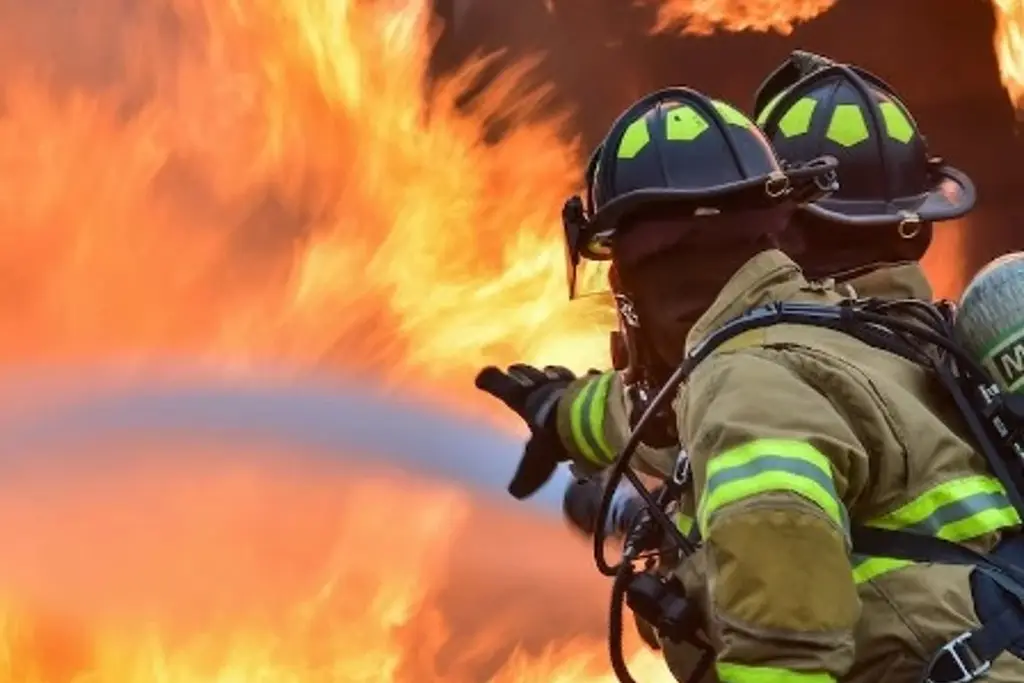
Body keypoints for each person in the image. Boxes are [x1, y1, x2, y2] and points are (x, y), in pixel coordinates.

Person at [476, 84, 1024, 682]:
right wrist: (562, 413)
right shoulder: (846, 333)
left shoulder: (745, 389)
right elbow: (664, 409)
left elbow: (785, 653)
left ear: (649, 279)